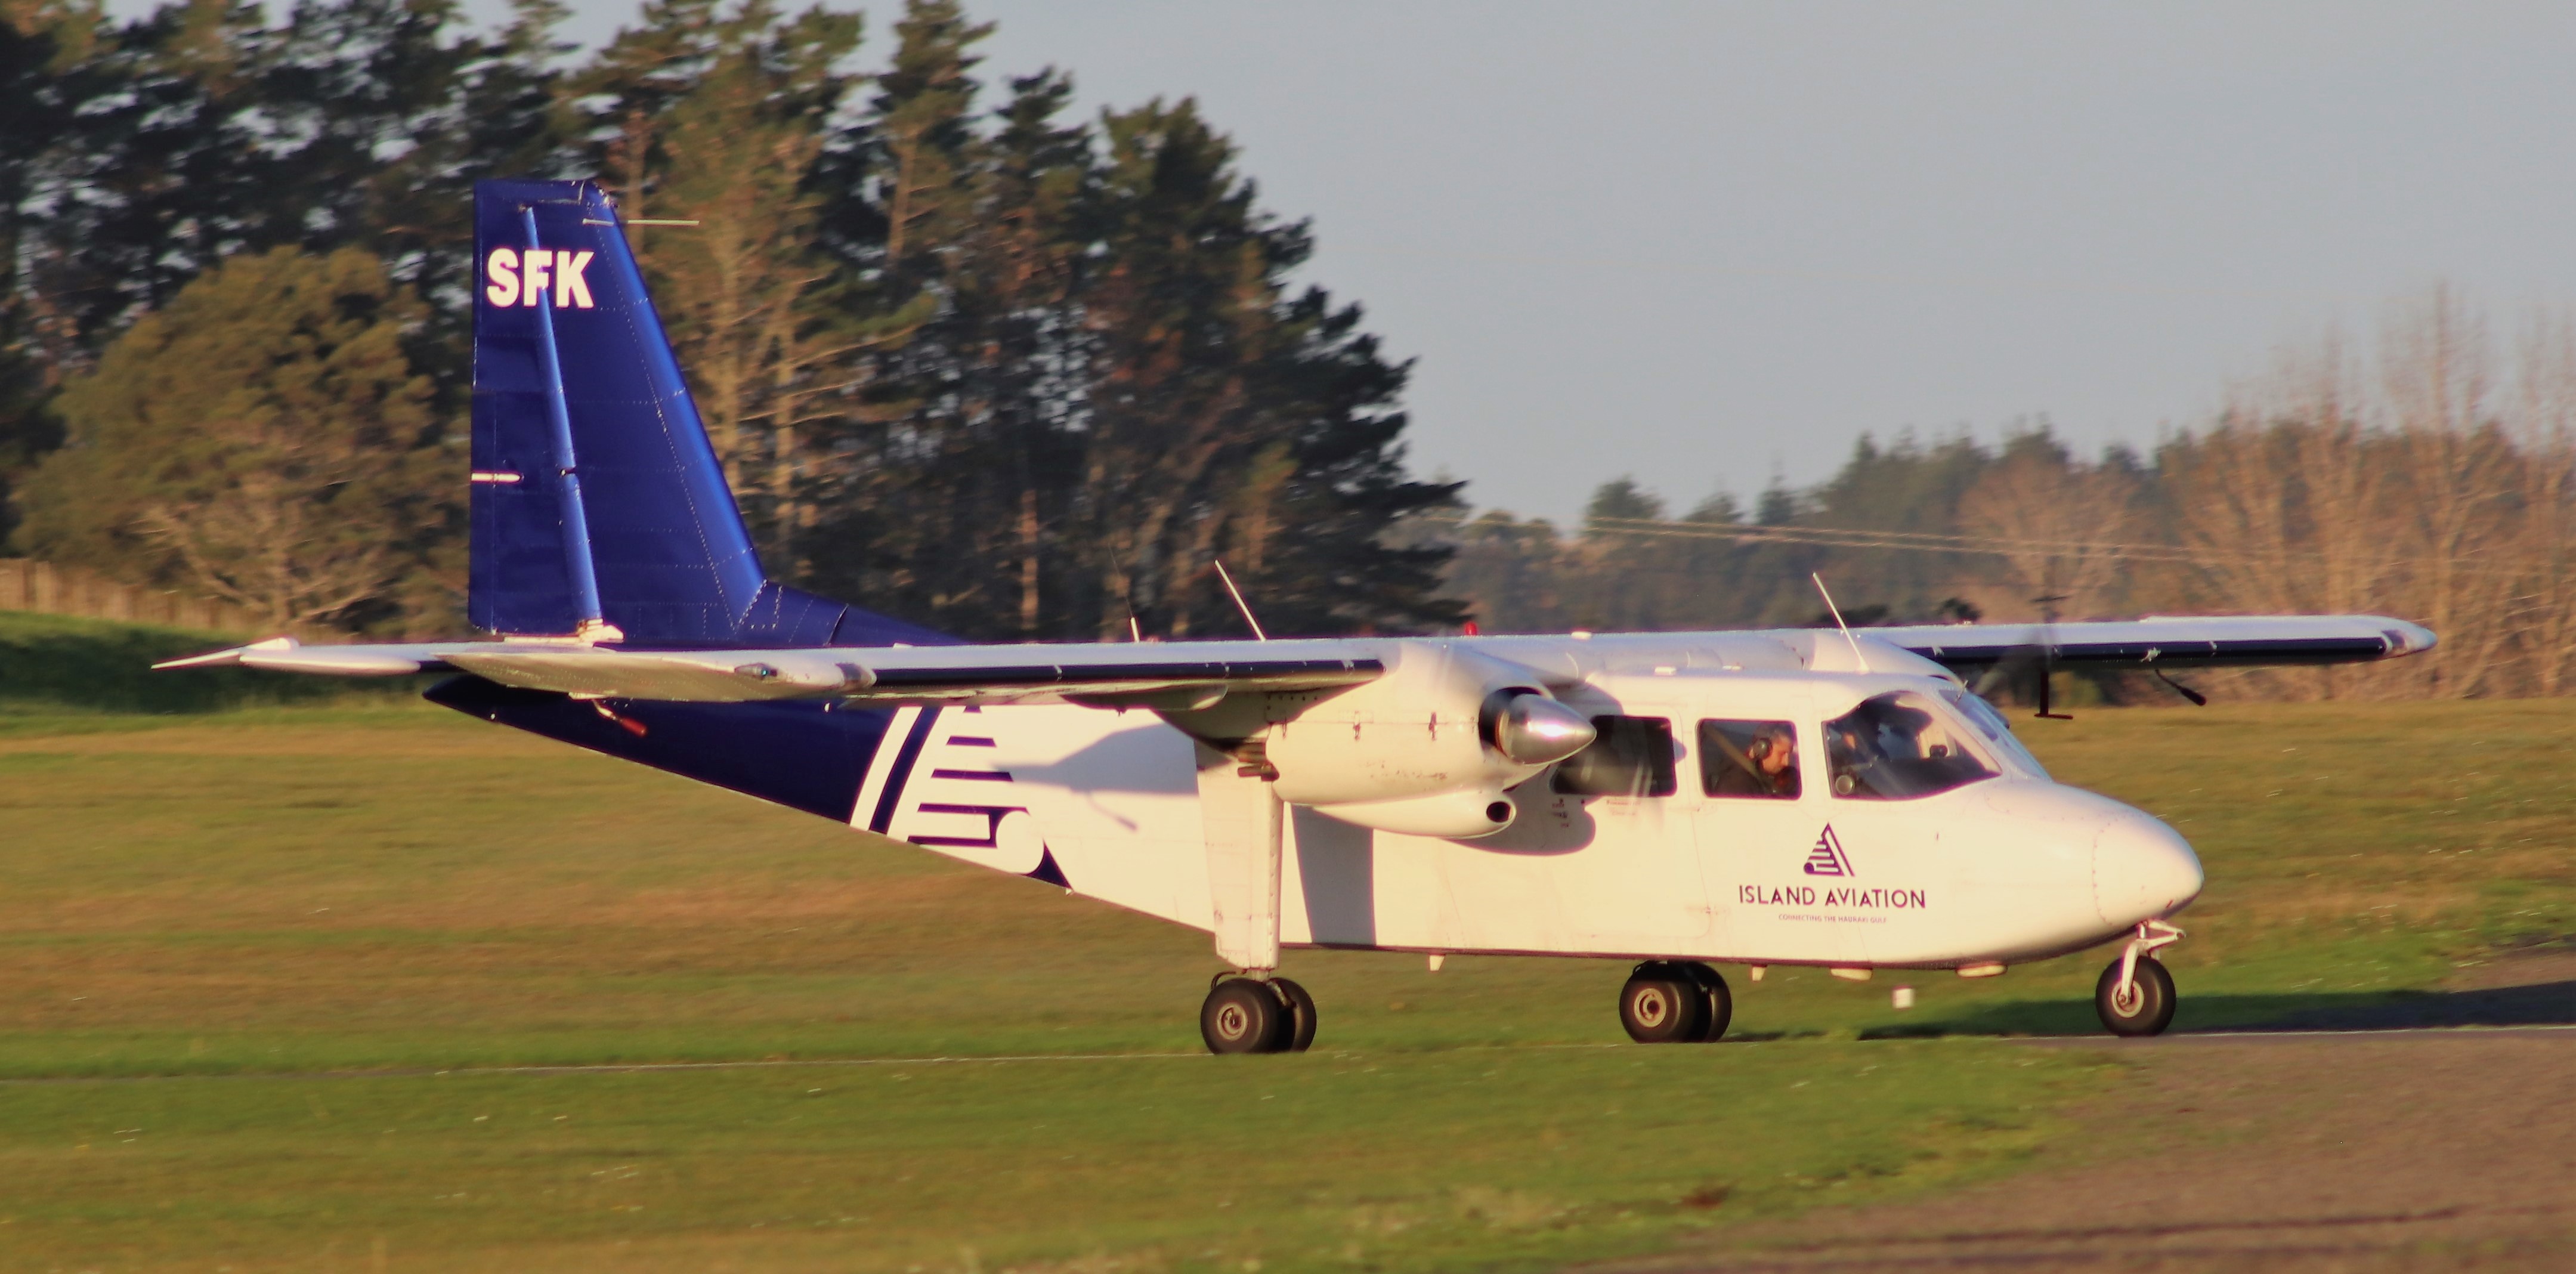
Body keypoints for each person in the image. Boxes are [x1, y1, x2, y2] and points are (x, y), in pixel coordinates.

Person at [1711, 724, 1800, 797]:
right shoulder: (1737, 784)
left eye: (1789, 755)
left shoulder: (1786, 778)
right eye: (1782, 754)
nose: (1786, 762)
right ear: (1762, 749)